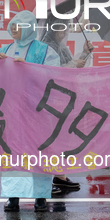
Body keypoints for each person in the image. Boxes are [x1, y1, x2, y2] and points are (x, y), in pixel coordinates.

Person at [0, 10, 60, 212]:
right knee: (12, 153)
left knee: (40, 153)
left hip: (38, 111)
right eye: (12, 25)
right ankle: (12, 195)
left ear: (29, 28)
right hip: (12, 110)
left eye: (18, 26)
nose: (13, 29)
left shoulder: (44, 51)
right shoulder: (4, 49)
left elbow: (54, 76)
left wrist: (30, 68)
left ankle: (40, 196)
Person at [40, 20, 94, 193]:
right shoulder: (46, 47)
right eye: (60, 28)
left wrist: (84, 54)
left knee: (59, 139)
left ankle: (59, 176)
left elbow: (71, 66)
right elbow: (51, 72)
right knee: (51, 139)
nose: (63, 32)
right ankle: (53, 177)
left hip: (62, 99)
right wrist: (73, 64)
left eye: (65, 28)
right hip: (50, 100)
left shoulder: (61, 47)